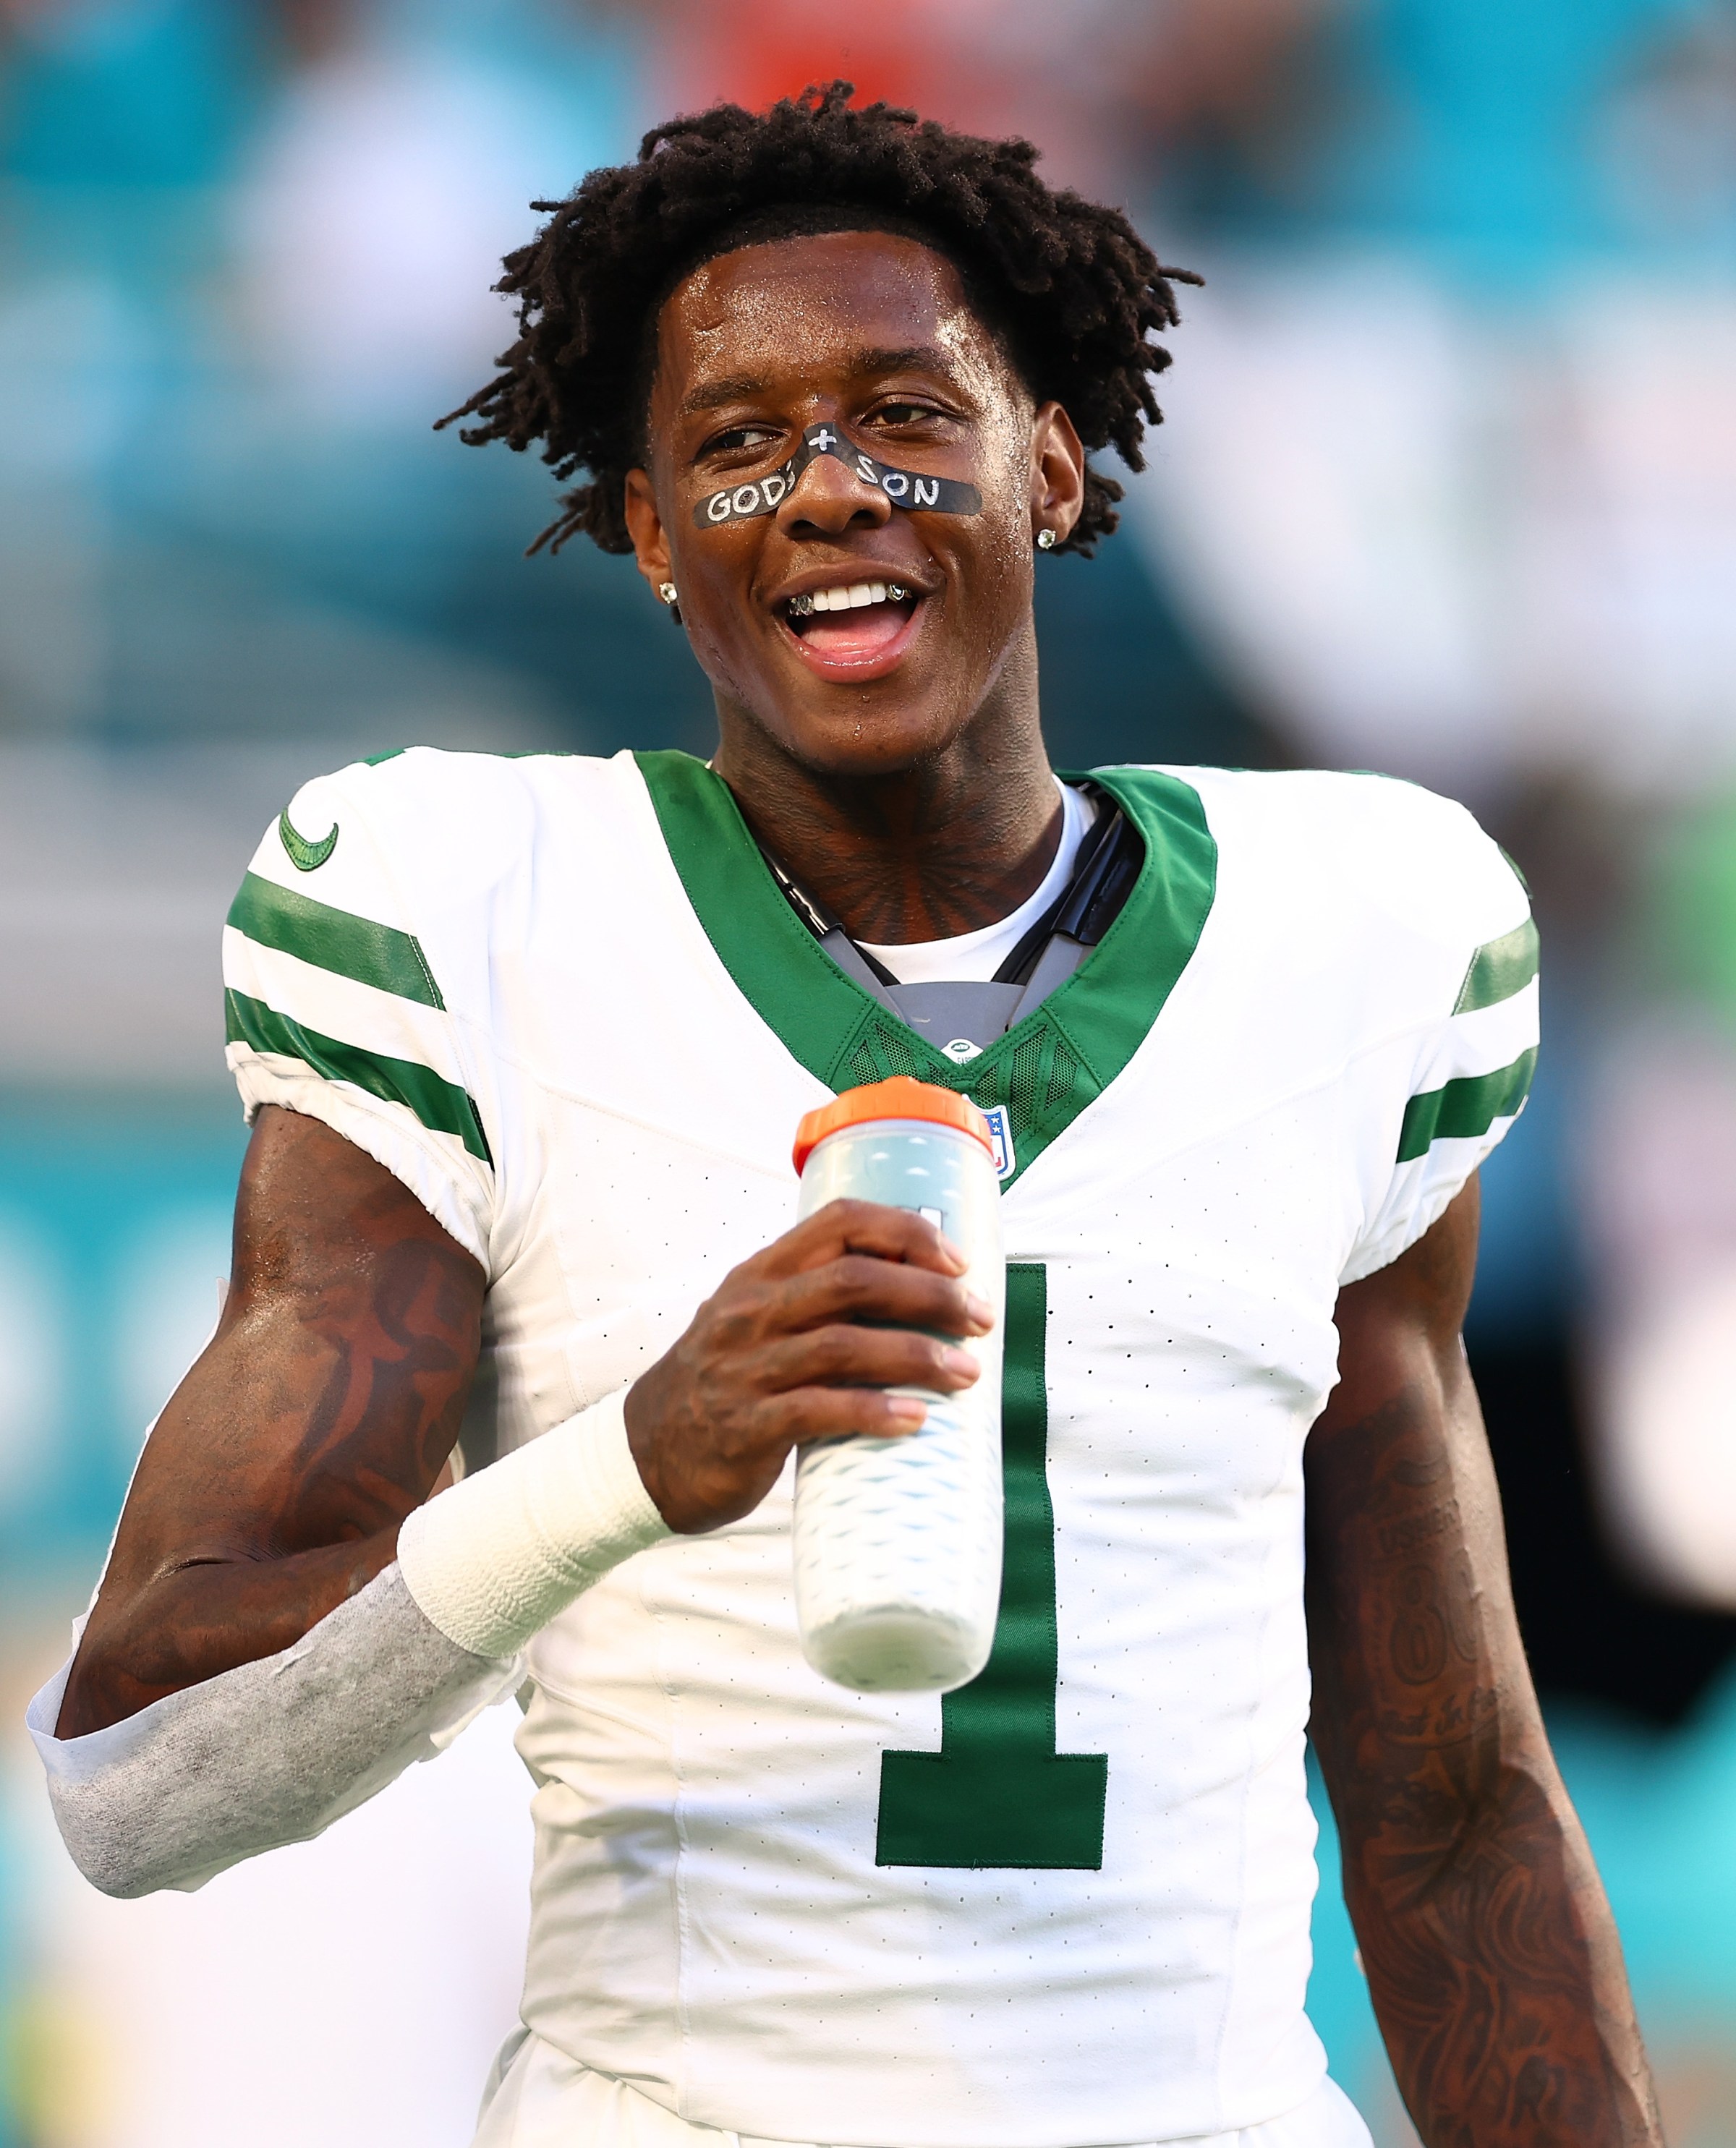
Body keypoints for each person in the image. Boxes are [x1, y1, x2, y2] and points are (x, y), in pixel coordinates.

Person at [30, 83, 1661, 2148]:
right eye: (733, 445)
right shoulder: (478, 911)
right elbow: (142, 1774)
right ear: (643, 533)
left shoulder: (1354, 939)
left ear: (1053, 461)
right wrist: (630, 1463)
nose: (825, 488)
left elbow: (1450, 1810)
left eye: (908, 412)